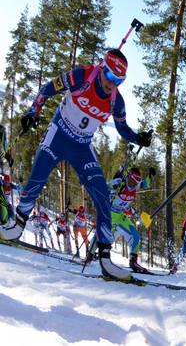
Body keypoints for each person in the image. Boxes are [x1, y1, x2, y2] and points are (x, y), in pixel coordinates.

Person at [0, 49, 152, 281]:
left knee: (102, 195)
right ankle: (17, 226)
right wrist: (34, 111)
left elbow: (122, 128)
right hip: (58, 135)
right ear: (103, 69)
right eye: (111, 77)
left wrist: (137, 137)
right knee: (38, 177)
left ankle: (105, 259)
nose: (113, 84)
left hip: (82, 147)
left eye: (119, 81)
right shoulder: (82, 76)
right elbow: (48, 88)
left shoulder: (116, 101)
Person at [108, 165, 154, 274]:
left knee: (135, 236)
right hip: (110, 216)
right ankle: (91, 255)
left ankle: (133, 262)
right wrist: (114, 182)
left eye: (137, 180)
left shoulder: (136, 186)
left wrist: (150, 176)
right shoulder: (120, 184)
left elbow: (145, 184)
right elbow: (107, 186)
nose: (135, 184)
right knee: (106, 238)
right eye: (134, 180)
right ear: (129, 177)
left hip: (120, 217)